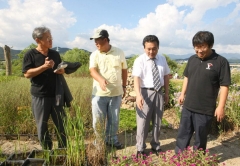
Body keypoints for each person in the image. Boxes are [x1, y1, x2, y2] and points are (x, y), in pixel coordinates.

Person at [175, 31, 231, 154]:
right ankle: (179, 157)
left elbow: (224, 85)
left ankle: (198, 159)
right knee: (183, 135)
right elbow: (187, 77)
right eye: (197, 47)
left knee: (200, 139)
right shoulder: (192, 59)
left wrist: (220, 107)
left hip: (205, 109)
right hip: (188, 106)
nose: (199, 50)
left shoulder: (221, 62)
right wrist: (182, 93)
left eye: (203, 47)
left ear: (210, 45)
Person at [22, 26, 67, 150]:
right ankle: (47, 151)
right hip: (40, 96)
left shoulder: (54, 54)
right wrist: (44, 67)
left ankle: (63, 149)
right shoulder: (30, 54)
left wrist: (60, 70)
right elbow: (27, 74)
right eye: (47, 38)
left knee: (61, 124)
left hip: (56, 95)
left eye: (51, 37)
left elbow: (60, 69)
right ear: (38, 40)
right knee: (42, 126)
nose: (50, 40)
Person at [89, 29, 128, 149]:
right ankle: (99, 142)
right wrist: (101, 80)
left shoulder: (119, 52)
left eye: (98, 41)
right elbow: (92, 70)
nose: (96, 44)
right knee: (98, 120)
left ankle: (112, 139)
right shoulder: (94, 54)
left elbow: (124, 70)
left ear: (105, 40)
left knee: (114, 119)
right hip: (99, 93)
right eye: (94, 41)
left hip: (116, 93)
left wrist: (124, 86)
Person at [132, 35, 170, 157]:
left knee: (157, 121)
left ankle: (155, 145)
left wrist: (167, 93)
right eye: (148, 49)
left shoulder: (162, 59)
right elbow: (136, 78)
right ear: (144, 48)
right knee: (143, 122)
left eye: (154, 48)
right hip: (145, 93)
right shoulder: (140, 60)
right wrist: (138, 96)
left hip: (159, 92)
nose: (151, 51)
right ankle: (140, 148)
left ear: (158, 48)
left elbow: (166, 76)